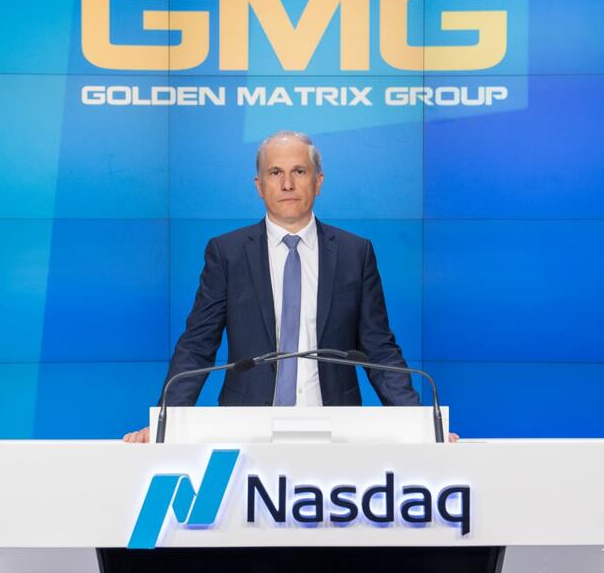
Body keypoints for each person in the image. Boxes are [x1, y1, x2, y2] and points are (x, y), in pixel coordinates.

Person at [123, 130, 422, 443]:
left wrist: (420, 425)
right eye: (275, 172)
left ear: (318, 182)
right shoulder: (228, 253)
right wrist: (165, 422)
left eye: (299, 171)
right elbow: (197, 346)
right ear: (259, 186)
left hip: (336, 427)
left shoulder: (354, 253)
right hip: (246, 428)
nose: (287, 184)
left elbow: (379, 349)